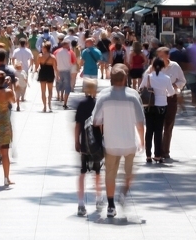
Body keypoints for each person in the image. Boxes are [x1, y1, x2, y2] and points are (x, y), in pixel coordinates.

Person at [93, 64, 144, 218]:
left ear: (111, 79)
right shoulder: (133, 95)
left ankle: (110, 205)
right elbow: (140, 122)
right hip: (129, 142)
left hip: (110, 143)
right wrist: (143, 141)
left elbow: (95, 120)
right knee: (129, 172)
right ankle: (123, 193)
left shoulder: (103, 96)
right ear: (125, 79)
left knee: (110, 174)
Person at [74, 78, 103, 216]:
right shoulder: (98, 104)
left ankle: (80, 203)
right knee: (97, 172)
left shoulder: (81, 104)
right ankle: (98, 198)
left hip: (85, 142)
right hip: (96, 142)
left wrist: (76, 141)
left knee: (82, 172)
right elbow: (102, 124)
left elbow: (78, 125)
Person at [140, 58, 176, 163]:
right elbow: (170, 92)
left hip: (149, 105)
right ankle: (158, 155)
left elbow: (141, 88)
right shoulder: (166, 78)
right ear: (163, 66)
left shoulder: (148, 77)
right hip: (161, 105)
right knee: (159, 130)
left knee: (149, 129)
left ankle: (148, 155)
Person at [54, 40, 76, 109]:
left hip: (58, 70)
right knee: (67, 87)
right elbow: (73, 62)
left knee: (60, 84)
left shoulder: (57, 52)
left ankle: (60, 96)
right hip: (66, 71)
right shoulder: (70, 52)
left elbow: (54, 61)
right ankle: (65, 103)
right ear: (65, 45)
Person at [37, 42, 58, 112]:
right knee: (50, 90)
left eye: (42, 47)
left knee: (43, 91)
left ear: (45, 48)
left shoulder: (40, 56)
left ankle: (44, 106)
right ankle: (49, 103)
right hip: (50, 73)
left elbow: (37, 66)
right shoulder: (53, 57)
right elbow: (55, 67)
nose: (41, 48)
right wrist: (58, 75)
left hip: (42, 73)